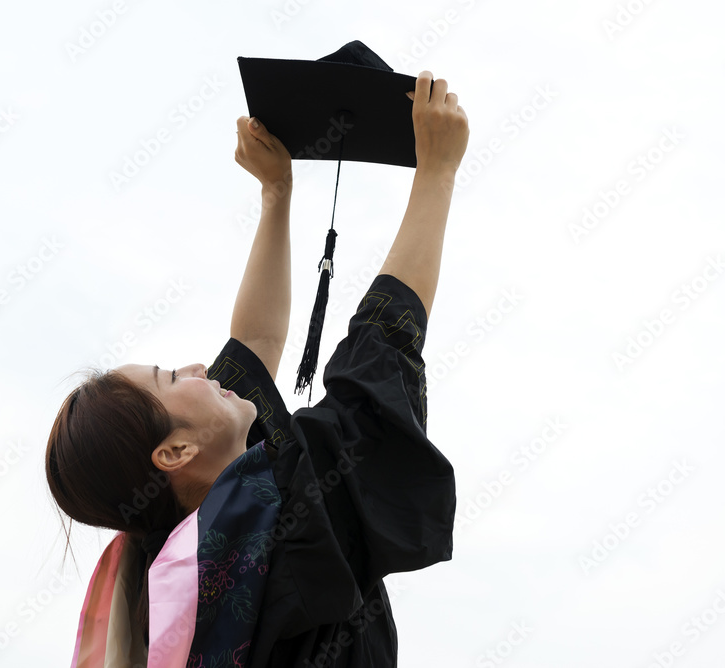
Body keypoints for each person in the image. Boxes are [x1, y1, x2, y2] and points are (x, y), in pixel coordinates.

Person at [47, 70, 469, 668]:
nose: (198, 367)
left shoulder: (178, 562)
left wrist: (277, 196)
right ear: (172, 454)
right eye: (172, 378)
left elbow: (255, 342)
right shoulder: (282, 524)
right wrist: (438, 172)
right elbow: (382, 350)